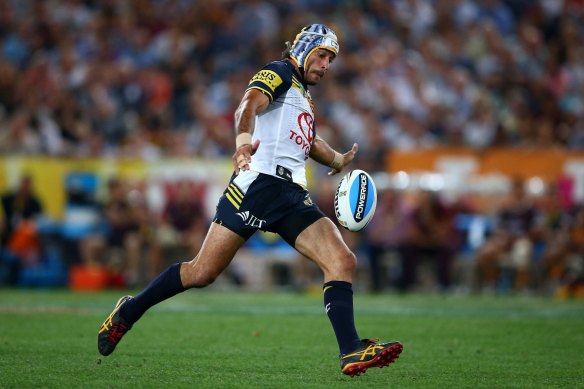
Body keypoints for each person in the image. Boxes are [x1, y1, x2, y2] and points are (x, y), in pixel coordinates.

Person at [97, 24, 402, 377]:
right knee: (202, 272)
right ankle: (129, 312)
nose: (325, 65)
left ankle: (350, 350)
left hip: (290, 195)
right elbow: (248, 105)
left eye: (330, 60)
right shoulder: (280, 72)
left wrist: (336, 160)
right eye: (321, 55)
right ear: (302, 49)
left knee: (342, 260)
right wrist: (243, 142)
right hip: (257, 184)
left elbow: (308, 141)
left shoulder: (302, 93)